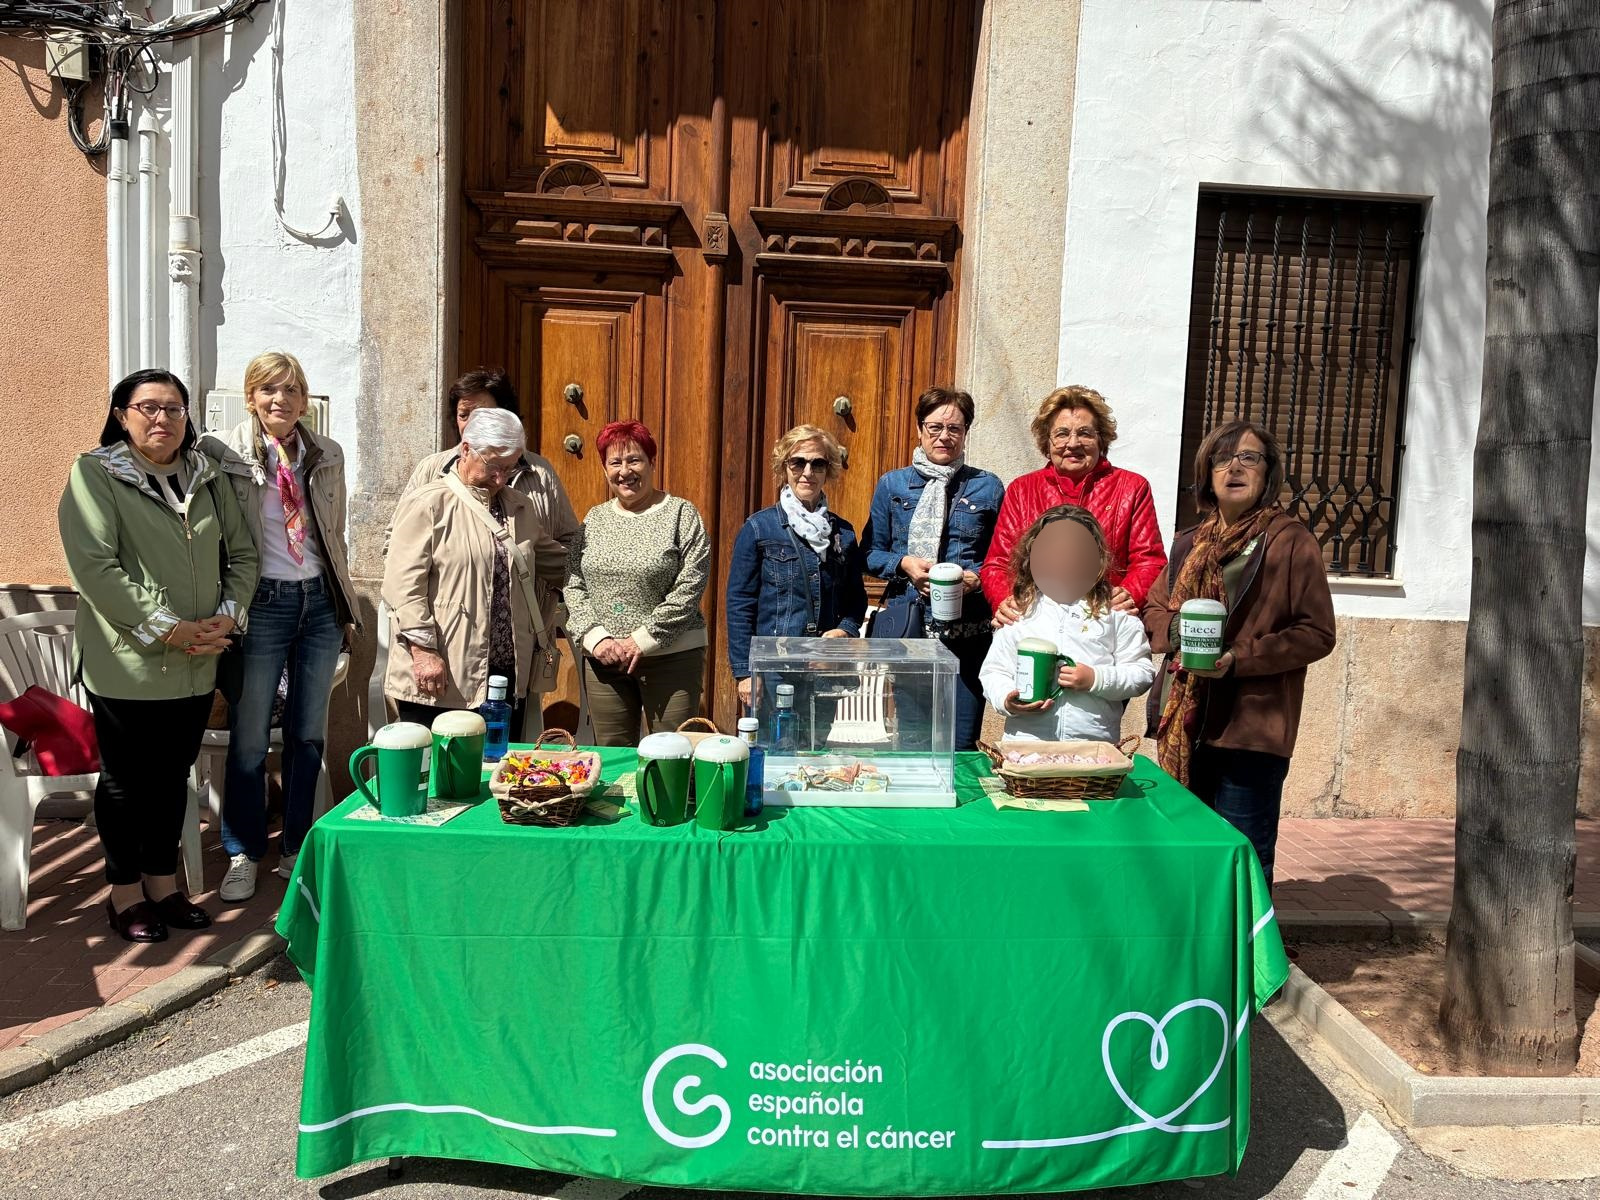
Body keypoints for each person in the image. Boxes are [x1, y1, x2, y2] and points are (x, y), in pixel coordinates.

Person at [58, 369, 259, 943]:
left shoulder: (208, 474)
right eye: (146, 407)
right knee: (126, 781)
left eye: (173, 408)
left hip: (199, 657)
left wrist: (228, 614)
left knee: (173, 777)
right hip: (130, 660)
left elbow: (242, 554)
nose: (161, 418)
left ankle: (163, 886)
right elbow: (96, 567)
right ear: (122, 415)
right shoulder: (96, 474)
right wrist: (168, 629)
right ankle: (124, 897)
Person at [1142, 420, 1335, 887]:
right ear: (1206, 474)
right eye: (1222, 459)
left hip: (1251, 729)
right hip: (1187, 723)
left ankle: (1250, 959)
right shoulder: (1190, 542)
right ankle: (1201, 954)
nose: (1235, 467)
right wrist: (1179, 633)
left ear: (1268, 474)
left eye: (1249, 458)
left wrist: (1237, 659)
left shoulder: (1289, 540)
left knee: (1243, 853)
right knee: (1189, 850)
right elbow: (1153, 607)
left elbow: (1316, 633)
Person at [200, 351, 361, 902]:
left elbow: (333, 535)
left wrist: (343, 610)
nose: (281, 400)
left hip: (317, 601)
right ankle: (243, 851)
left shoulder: (326, 453)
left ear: (304, 399)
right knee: (249, 739)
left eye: (291, 390)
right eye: (269, 390)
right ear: (251, 396)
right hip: (260, 602)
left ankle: (294, 848)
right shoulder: (220, 452)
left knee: (307, 733)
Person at [393, 368, 579, 733]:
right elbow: (403, 586)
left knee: (497, 770)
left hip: (504, 673)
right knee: (440, 778)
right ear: (466, 449)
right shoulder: (429, 504)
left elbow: (562, 562)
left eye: (509, 469)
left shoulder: (519, 507)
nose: (501, 479)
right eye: (493, 466)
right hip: (442, 673)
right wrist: (423, 651)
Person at [862, 387, 1002, 750]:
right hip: (911, 633)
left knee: (960, 741)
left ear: (966, 431)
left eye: (954, 428)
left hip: (967, 635)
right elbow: (869, 554)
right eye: (935, 426)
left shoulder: (987, 486)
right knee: (913, 738)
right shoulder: (892, 484)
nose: (944, 436)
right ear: (920, 430)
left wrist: (976, 577)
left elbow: (1004, 559)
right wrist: (903, 563)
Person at [564, 420, 710, 746]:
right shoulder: (594, 519)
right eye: (615, 462)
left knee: (671, 757)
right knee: (615, 759)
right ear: (604, 469)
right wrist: (596, 638)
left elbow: (690, 586)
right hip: (604, 661)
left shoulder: (681, 515)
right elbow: (574, 583)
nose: (625, 471)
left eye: (634, 460)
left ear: (652, 462)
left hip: (672, 658)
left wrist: (641, 640)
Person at [981, 386, 1166, 624]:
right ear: (1046, 442)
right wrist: (1006, 601)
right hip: (1035, 621)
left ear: (1101, 439)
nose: (1073, 443)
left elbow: (1149, 560)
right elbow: (998, 563)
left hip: (1104, 620)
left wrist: (1128, 594)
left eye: (1085, 433)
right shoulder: (1022, 490)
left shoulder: (1132, 488)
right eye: (1061, 434)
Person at [726, 424, 868, 729]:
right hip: (774, 670)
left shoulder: (842, 532)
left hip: (824, 668)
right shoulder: (759, 529)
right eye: (797, 462)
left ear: (828, 470)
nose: (807, 472)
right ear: (784, 468)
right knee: (773, 753)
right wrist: (745, 673)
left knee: (814, 754)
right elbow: (739, 604)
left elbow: (856, 601)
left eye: (818, 463)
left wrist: (843, 631)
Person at [980, 506, 1155, 744]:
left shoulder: (1115, 611)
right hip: (1026, 745)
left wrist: (1096, 679)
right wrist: (1006, 699)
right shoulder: (1020, 610)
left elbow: (1141, 672)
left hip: (1092, 747)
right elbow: (994, 671)